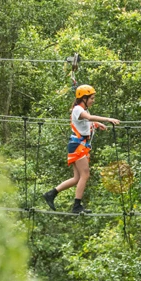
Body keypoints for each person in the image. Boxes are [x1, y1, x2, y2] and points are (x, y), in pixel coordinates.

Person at [43, 85, 120, 214]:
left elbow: (85, 122)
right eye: (91, 98)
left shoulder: (83, 110)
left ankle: (51, 194)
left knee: (77, 178)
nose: (93, 100)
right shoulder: (78, 109)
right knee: (85, 175)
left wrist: (97, 124)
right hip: (77, 146)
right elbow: (88, 118)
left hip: (79, 146)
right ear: (83, 98)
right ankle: (77, 206)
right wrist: (107, 119)